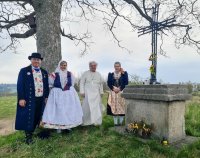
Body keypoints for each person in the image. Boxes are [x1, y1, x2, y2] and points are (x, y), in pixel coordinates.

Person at [15, 52, 49, 144]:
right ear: (31, 60)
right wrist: (21, 98)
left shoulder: (44, 72)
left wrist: (46, 97)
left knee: (38, 115)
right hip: (29, 98)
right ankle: (28, 137)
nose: (36, 61)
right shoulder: (24, 71)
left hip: (41, 98)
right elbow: (20, 85)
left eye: (38, 60)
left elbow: (46, 86)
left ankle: (35, 131)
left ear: (40, 61)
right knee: (29, 117)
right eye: (34, 59)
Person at [41, 60, 83, 133]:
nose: (63, 66)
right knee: (58, 110)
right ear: (59, 65)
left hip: (68, 95)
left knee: (68, 109)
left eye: (65, 65)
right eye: (62, 65)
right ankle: (58, 126)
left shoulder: (70, 74)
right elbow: (50, 83)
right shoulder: (54, 74)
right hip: (57, 94)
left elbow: (72, 83)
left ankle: (68, 125)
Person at [80, 61, 104, 126]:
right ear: (89, 66)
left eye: (95, 66)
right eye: (92, 66)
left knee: (96, 108)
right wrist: (82, 91)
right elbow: (82, 83)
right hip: (87, 93)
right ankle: (86, 121)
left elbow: (101, 84)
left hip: (96, 93)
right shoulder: (85, 73)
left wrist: (101, 92)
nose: (94, 67)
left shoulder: (98, 74)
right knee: (87, 107)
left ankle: (96, 122)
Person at [107, 62, 128, 126]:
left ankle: (121, 123)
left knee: (122, 107)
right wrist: (113, 89)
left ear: (120, 66)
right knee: (114, 108)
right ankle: (116, 124)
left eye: (118, 66)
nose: (117, 67)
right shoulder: (110, 74)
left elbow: (126, 82)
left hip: (121, 92)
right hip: (113, 93)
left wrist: (119, 89)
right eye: (116, 66)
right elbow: (109, 83)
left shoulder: (124, 73)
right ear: (114, 67)